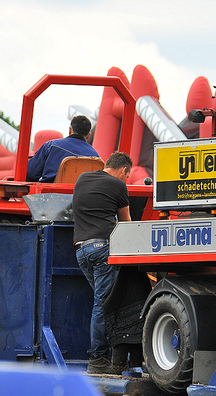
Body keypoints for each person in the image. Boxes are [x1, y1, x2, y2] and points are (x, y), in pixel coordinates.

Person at [72, 151, 132, 374]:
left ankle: (105, 356)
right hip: (102, 249)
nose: (125, 179)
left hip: (81, 250)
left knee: (102, 304)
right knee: (104, 305)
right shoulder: (118, 185)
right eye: (127, 175)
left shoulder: (82, 178)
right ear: (124, 170)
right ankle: (98, 359)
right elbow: (126, 223)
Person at [26, 115, 100, 183]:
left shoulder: (51, 146)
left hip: (48, 193)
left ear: (70, 130)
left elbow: (30, 173)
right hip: (80, 195)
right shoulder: (95, 156)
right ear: (88, 135)